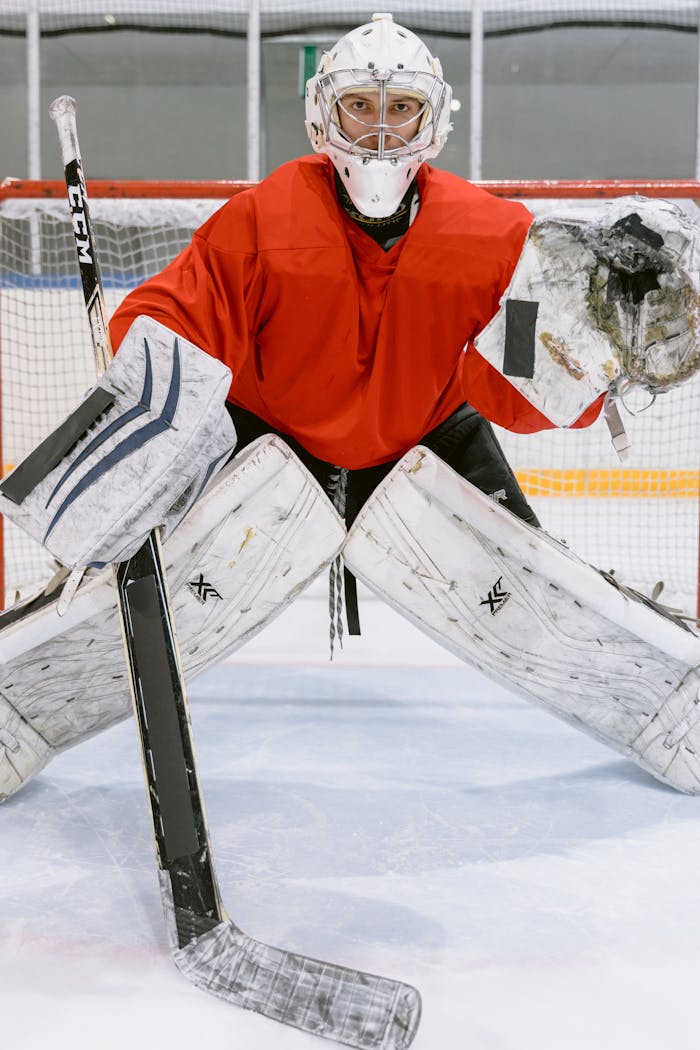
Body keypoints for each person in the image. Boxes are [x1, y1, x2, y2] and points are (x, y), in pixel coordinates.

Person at [108, 12, 604, 625]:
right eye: (361, 105)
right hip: (271, 445)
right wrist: (145, 377)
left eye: (401, 108)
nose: (380, 129)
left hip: (429, 440)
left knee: (537, 608)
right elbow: (169, 317)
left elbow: (522, 386)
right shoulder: (260, 220)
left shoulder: (499, 237)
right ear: (325, 113)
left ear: (432, 119)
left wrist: (593, 347)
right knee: (171, 593)